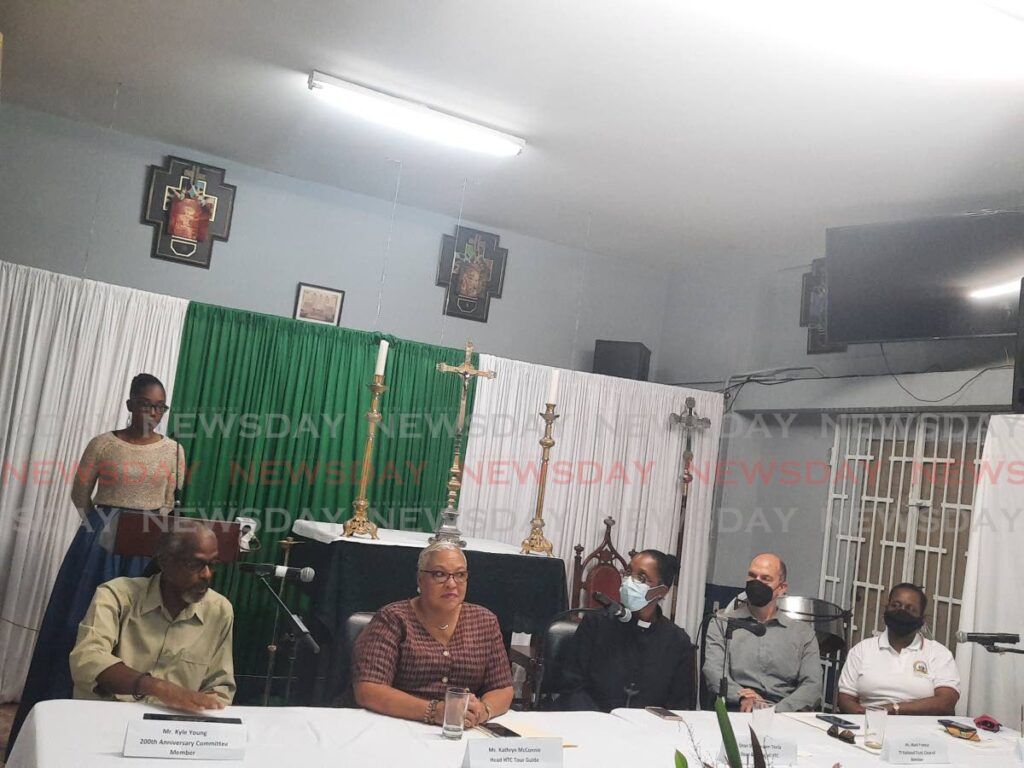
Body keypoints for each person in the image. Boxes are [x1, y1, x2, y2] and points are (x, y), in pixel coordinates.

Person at [8, 374, 186, 755]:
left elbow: (171, 500)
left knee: (138, 629)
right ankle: (63, 714)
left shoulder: (174, 451)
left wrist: (150, 535)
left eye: (159, 407)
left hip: (148, 544)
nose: (152, 413)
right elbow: (79, 493)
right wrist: (102, 528)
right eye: (144, 404)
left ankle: (127, 727)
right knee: (82, 622)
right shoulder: (103, 444)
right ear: (129, 405)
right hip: (100, 545)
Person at [69, 521, 234, 709]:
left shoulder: (219, 611)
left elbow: (219, 686)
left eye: (212, 564)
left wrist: (205, 708)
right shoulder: (117, 595)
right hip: (109, 718)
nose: (207, 574)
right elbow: (88, 658)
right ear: (165, 562)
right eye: (194, 564)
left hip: (173, 728)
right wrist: (159, 688)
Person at [352, 541, 514, 727]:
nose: (451, 583)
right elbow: (368, 689)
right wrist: (434, 711)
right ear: (420, 579)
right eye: (440, 574)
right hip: (397, 724)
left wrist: (482, 712)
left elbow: (502, 688)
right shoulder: (393, 618)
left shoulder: (485, 621)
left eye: (460, 575)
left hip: (461, 729)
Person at [558, 549, 694, 712]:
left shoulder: (677, 642)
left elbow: (678, 705)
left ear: (660, 591)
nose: (629, 581)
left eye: (642, 578)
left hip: (646, 732)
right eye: (628, 572)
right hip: (591, 724)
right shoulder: (597, 623)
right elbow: (572, 686)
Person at [702, 553, 821, 712]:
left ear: (782, 588)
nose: (756, 583)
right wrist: (742, 697)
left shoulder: (802, 634)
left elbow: (812, 686)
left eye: (765, 579)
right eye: (752, 576)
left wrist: (773, 711)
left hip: (785, 715)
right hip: (736, 710)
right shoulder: (722, 622)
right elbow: (714, 672)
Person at [837, 583, 959, 715]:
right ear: (886, 609)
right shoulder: (861, 650)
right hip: (869, 727)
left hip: (922, 731)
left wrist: (891, 710)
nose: (901, 611)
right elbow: (845, 699)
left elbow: (946, 702)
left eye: (910, 609)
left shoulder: (938, 653)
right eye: (895, 605)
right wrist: (869, 719)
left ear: (921, 619)